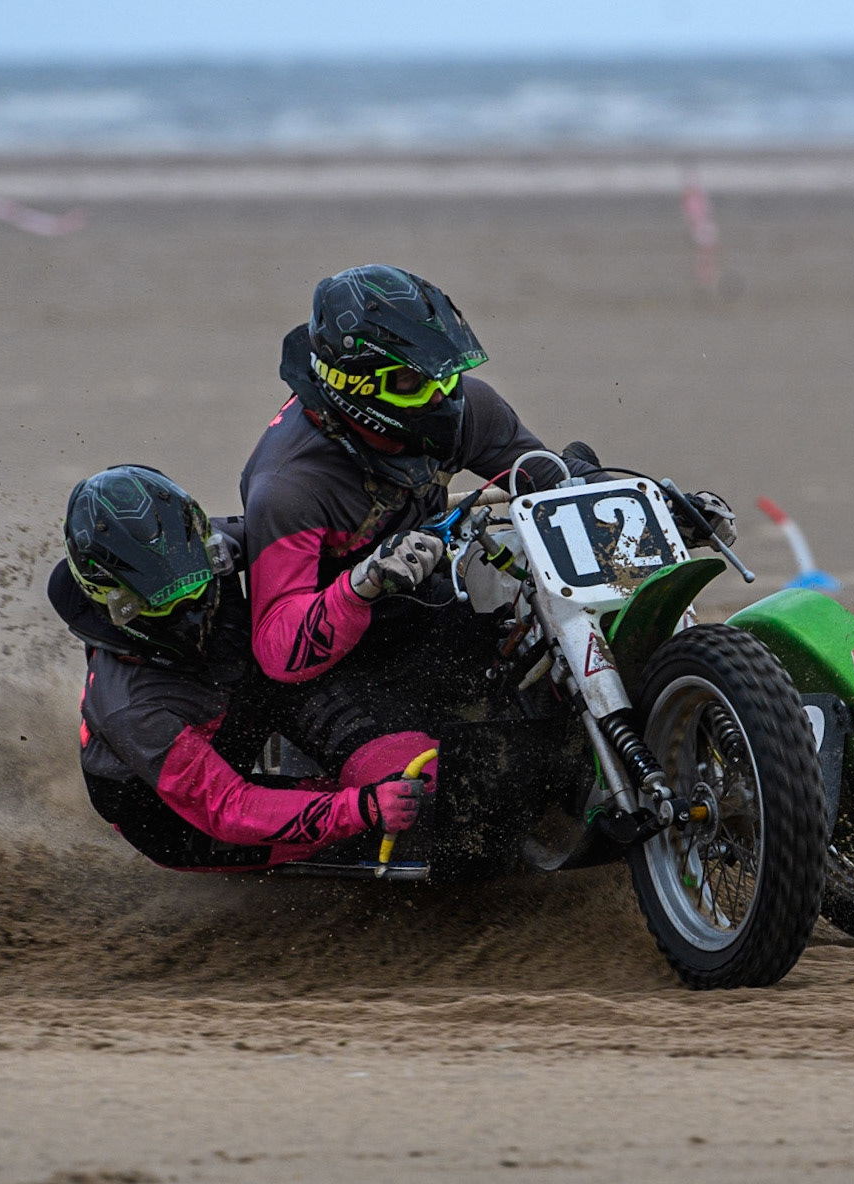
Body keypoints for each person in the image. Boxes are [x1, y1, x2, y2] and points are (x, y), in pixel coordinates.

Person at [239, 264, 735, 719]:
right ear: (355, 385)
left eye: (445, 373)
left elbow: (552, 481)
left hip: (430, 591)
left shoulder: (468, 408)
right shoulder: (288, 487)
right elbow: (277, 648)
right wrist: (362, 584)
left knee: (533, 572)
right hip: (351, 655)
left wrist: (660, 510)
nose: (442, 396)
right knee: (429, 771)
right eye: (413, 381)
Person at [48, 464, 439, 872]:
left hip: (240, 694)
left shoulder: (209, 548)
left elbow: (315, 533)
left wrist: (391, 542)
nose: (193, 613)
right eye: (166, 603)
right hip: (178, 817)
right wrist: (362, 808)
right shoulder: (130, 710)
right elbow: (229, 808)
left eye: (196, 585)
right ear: (113, 602)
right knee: (389, 821)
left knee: (422, 779)